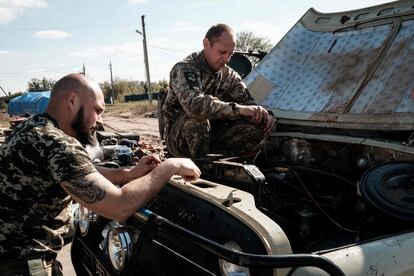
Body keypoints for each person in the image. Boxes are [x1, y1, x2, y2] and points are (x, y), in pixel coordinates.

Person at [0, 73, 201, 276]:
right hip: (21, 265)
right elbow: (119, 206)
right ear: (72, 101)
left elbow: (79, 171)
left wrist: (128, 174)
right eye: (97, 110)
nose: (100, 121)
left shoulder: (32, 128)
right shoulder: (59, 144)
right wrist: (171, 165)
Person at [160, 23, 275, 159]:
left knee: (259, 122)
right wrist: (238, 110)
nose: (226, 59)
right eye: (222, 52)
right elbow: (195, 106)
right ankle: (200, 165)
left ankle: (219, 159)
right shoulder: (184, 68)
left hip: (213, 132)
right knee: (198, 118)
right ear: (206, 44)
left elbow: (248, 103)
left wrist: (265, 115)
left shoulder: (229, 75)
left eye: (230, 54)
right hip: (180, 137)